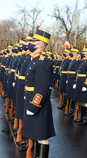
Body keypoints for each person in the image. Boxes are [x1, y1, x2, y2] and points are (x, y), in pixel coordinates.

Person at [22, 27, 55, 158]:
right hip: (31, 99)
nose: (30, 43)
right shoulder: (35, 59)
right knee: (35, 133)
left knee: (41, 135)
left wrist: (34, 106)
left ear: (40, 44)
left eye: (34, 41)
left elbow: (41, 88)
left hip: (37, 103)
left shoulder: (43, 62)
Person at [73, 45, 87, 125]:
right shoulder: (82, 62)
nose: (82, 53)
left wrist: (86, 85)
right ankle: (82, 117)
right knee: (81, 101)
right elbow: (78, 74)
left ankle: (86, 118)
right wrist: (76, 82)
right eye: (82, 52)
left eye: (84, 52)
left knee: (86, 102)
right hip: (79, 83)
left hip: (85, 84)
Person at [65, 47, 81, 118]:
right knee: (70, 95)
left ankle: (75, 111)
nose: (71, 52)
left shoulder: (77, 61)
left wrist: (75, 82)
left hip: (73, 80)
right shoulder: (72, 60)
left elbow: (77, 72)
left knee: (74, 96)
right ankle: (71, 110)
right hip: (70, 79)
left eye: (73, 51)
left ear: (76, 53)